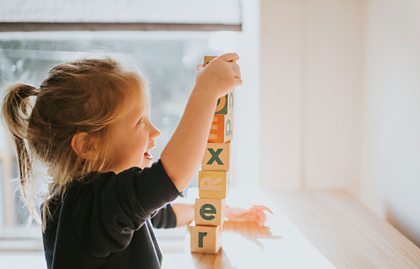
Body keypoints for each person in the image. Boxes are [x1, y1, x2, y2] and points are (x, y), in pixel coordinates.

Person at [1, 53, 271, 269]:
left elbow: (161, 213)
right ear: (88, 145)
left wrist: (222, 211)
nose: (155, 132)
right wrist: (205, 93)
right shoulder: (91, 206)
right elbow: (170, 178)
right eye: (139, 122)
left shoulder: (94, 199)